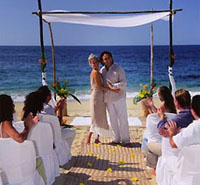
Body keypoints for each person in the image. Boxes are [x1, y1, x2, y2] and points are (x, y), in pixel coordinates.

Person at [85, 53, 119, 144]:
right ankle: (88, 138)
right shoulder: (95, 72)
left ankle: (97, 138)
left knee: (100, 117)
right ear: (90, 64)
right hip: (96, 97)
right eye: (92, 63)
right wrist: (113, 90)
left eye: (96, 62)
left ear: (98, 62)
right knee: (95, 118)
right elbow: (99, 86)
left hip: (100, 97)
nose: (94, 64)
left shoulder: (98, 71)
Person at [100, 51, 130, 145]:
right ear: (103, 60)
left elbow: (124, 83)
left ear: (112, 58)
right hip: (108, 99)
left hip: (119, 97)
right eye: (105, 59)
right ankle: (116, 139)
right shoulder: (102, 71)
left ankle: (126, 140)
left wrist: (114, 86)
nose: (107, 60)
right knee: (112, 120)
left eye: (109, 58)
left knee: (123, 119)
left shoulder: (118, 69)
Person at [144, 86, 176, 175]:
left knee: (146, 138)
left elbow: (157, 116)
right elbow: (159, 114)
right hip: (170, 133)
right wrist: (151, 105)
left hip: (163, 135)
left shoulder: (163, 105)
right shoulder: (171, 103)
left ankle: (153, 166)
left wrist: (150, 107)